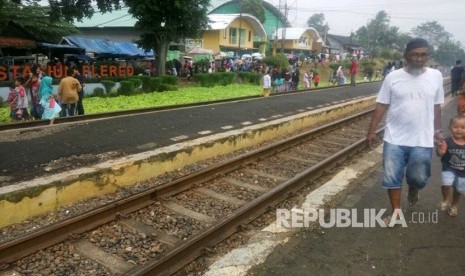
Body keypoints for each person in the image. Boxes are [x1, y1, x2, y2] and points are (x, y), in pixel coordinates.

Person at [366, 38, 444, 226]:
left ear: (427, 56)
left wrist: (438, 132)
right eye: (415, 54)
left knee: (418, 178)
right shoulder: (393, 77)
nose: (419, 58)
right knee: (392, 177)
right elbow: (382, 104)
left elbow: (437, 107)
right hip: (394, 138)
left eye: (423, 55)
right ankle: (396, 213)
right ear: (406, 56)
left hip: (422, 139)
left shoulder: (435, 76)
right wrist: (372, 131)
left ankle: (414, 190)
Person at [436, 115, 465, 217]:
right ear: (450, 128)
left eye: (463, 128)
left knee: (458, 190)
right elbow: (440, 154)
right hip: (449, 168)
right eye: (456, 127)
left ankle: (453, 206)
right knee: (446, 183)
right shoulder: (447, 141)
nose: (459, 130)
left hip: (463, 172)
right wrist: (439, 148)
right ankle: (446, 199)